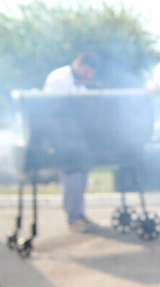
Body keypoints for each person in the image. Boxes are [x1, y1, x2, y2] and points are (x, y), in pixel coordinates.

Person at [43, 52, 100, 233]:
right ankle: (72, 218)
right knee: (71, 178)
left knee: (81, 177)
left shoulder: (80, 83)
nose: (88, 76)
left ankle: (80, 214)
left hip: (77, 138)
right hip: (61, 138)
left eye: (91, 73)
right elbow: (53, 110)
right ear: (77, 64)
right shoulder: (59, 79)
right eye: (86, 71)